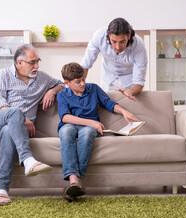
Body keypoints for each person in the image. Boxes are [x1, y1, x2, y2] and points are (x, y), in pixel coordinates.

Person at [0, 44, 65, 205]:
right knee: (15, 114)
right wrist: (22, 118)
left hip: (13, 131)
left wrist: (51, 91)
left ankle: (2, 190)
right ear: (19, 63)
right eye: (32, 62)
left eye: (38, 61)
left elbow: (62, 83)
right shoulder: (3, 75)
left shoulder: (42, 78)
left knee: (7, 133)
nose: (37, 66)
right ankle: (28, 159)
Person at [57, 62, 140, 202]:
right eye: (78, 82)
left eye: (83, 79)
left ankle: (75, 182)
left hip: (88, 128)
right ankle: (73, 179)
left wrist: (124, 112)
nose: (82, 84)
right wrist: (91, 122)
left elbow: (109, 103)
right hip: (70, 125)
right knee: (66, 133)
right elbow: (65, 117)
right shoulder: (62, 95)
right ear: (67, 83)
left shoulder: (93, 89)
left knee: (88, 133)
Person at [81, 17, 147, 101]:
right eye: (114, 41)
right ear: (108, 36)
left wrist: (130, 91)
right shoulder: (99, 37)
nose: (118, 47)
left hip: (129, 81)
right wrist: (79, 86)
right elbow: (85, 65)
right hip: (108, 77)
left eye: (122, 41)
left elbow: (139, 82)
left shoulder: (138, 46)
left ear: (129, 36)